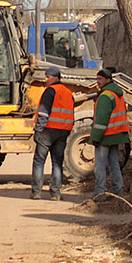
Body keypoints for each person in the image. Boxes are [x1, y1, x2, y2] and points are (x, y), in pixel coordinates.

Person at [30, 66, 75, 200]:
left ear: (55, 77)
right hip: (63, 132)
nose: (46, 79)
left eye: (48, 77)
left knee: (39, 161)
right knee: (57, 162)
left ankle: (36, 192)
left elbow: (43, 112)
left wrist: (38, 130)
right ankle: (55, 193)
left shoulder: (50, 91)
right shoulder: (68, 93)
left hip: (48, 131)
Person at [89, 66, 129, 201]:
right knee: (114, 164)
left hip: (105, 136)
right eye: (97, 79)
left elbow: (101, 120)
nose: (97, 81)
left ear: (108, 79)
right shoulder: (118, 94)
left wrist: (95, 138)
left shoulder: (105, 96)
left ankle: (100, 193)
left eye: (100, 79)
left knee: (100, 165)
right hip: (117, 135)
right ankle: (118, 192)